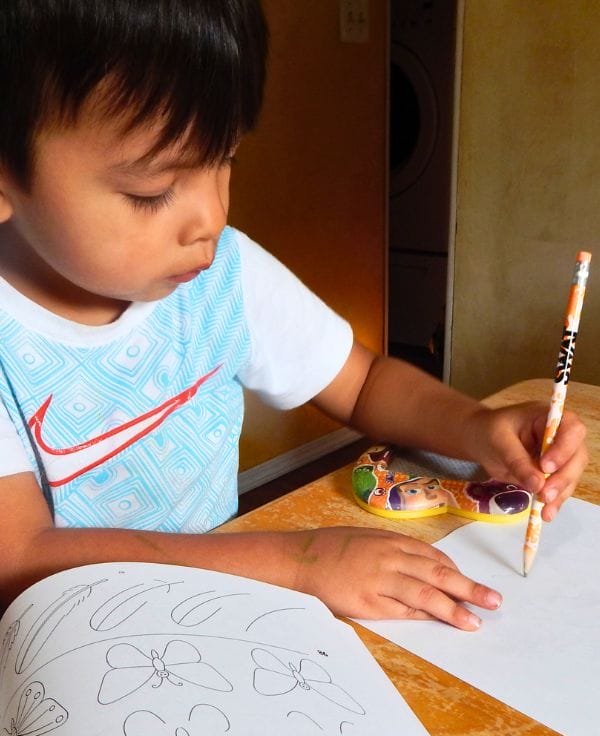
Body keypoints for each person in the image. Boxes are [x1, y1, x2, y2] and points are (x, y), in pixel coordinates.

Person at [0, 0, 587, 629]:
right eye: (154, 190)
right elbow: (20, 560)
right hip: (81, 650)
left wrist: (476, 428)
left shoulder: (222, 272)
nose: (212, 216)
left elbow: (362, 383)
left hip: (226, 621)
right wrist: (296, 560)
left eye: (224, 158)